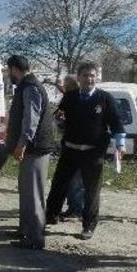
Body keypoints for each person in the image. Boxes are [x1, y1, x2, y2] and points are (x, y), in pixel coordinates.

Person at [44, 62, 125, 240]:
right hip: (70, 150)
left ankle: (88, 226)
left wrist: (120, 145)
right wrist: (59, 121)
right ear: (79, 78)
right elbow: (60, 120)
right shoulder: (70, 97)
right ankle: (50, 216)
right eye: (86, 75)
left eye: (92, 75)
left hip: (93, 153)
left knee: (91, 191)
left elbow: (117, 123)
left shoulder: (105, 98)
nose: (89, 79)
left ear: (97, 78)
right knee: (59, 185)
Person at [5, 55, 55, 250]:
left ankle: (35, 238)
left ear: (14, 69)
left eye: (9, 70)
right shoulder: (26, 86)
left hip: (35, 148)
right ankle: (25, 230)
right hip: (31, 148)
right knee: (26, 191)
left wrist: (22, 143)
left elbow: (30, 118)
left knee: (34, 194)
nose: (8, 74)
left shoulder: (30, 87)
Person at [56, 75, 85, 221]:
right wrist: (60, 121)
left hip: (80, 146)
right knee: (70, 179)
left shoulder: (79, 100)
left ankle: (77, 209)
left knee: (77, 180)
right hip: (69, 144)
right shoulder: (68, 100)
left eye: (67, 86)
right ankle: (72, 207)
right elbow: (62, 122)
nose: (65, 88)